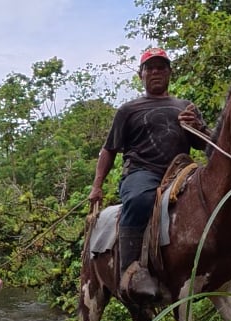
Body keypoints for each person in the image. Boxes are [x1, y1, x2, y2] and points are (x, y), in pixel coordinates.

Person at [88, 47, 207, 301]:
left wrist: (197, 127)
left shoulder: (186, 107)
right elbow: (109, 150)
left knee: (209, 196)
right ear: (141, 75)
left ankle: (222, 269)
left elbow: (207, 144)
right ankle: (130, 270)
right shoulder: (129, 110)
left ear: (169, 73)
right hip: (142, 172)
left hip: (181, 171)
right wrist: (96, 187)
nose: (155, 72)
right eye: (149, 68)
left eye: (161, 67)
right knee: (140, 200)